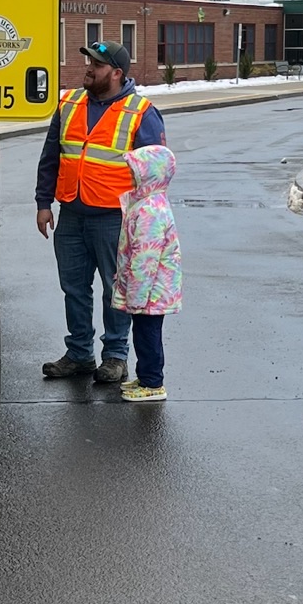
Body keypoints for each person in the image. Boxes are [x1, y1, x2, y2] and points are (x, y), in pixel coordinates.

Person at [35, 41, 167, 384]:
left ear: (117, 73)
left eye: (97, 64)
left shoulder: (140, 111)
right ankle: (79, 353)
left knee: (115, 290)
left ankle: (115, 356)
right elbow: (51, 157)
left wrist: (145, 222)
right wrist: (42, 203)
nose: (89, 68)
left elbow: (155, 172)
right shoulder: (69, 103)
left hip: (114, 219)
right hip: (72, 214)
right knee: (74, 288)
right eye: (88, 61)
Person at [111, 144, 181, 402]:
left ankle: (153, 383)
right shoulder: (146, 203)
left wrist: (136, 294)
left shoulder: (149, 211)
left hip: (149, 290)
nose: (130, 177)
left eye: (135, 173)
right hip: (150, 288)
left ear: (150, 175)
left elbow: (145, 257)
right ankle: (146, 376)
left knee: (148, 335)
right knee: (143, 333)